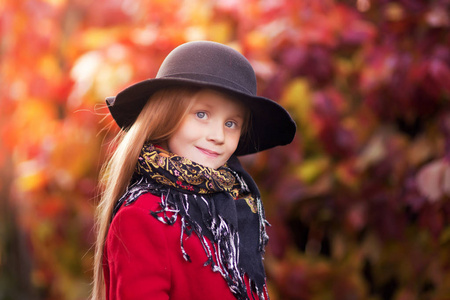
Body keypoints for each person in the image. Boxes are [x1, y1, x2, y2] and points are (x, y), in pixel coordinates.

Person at [91, 41, 296, 300]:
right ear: (166, 116)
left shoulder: (234, 211)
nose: (218, 135)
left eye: (231, 123)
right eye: (201, 114)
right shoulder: (142, 218)